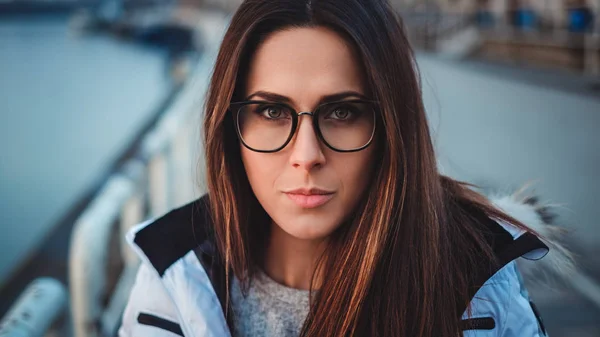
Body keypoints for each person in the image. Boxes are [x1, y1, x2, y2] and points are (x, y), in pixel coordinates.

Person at [118, 0, 571, 336]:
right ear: (228, 129)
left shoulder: (474, 278)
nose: (307, 154)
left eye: (343, 112)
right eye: (272, 113)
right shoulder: (175, 277)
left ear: (392, 128)